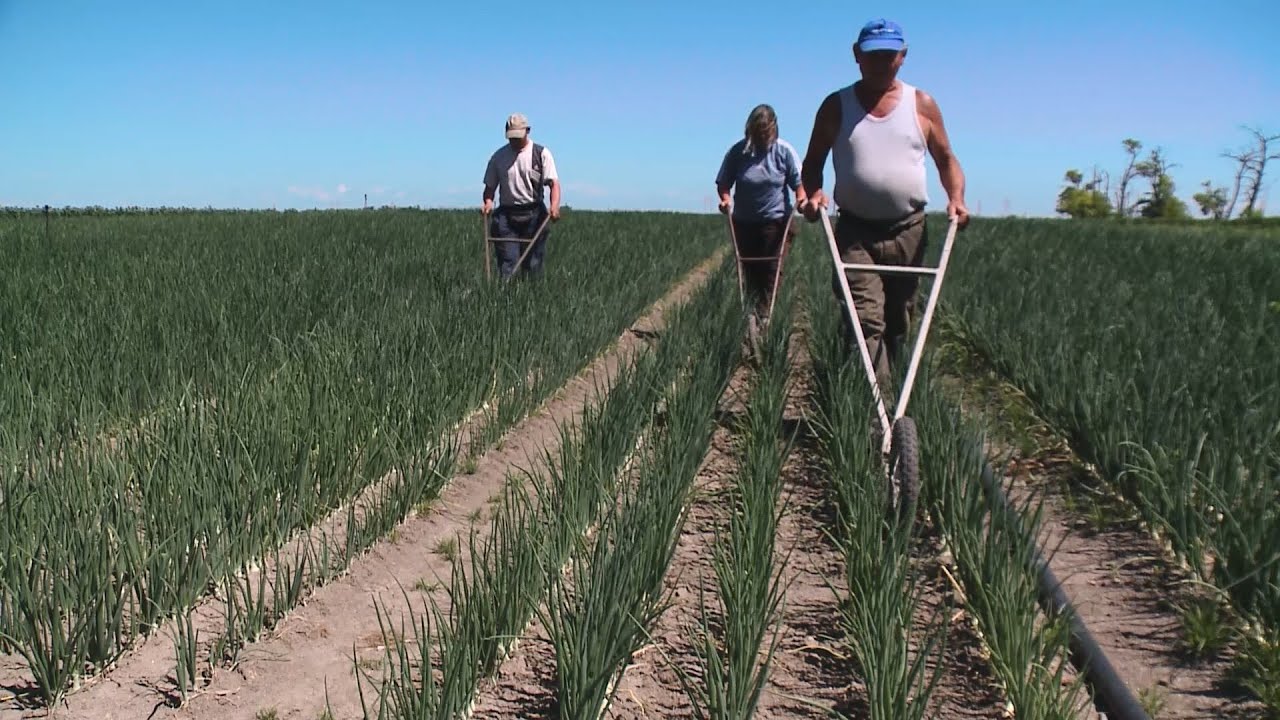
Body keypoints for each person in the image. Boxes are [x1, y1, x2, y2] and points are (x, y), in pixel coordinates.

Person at [798, 18, 969, 393]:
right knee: (864, 321)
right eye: (873, 56)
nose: (881, 63)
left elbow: (946, 159)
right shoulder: (836, 106)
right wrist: (811, 196)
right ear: (857, 56)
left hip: (910, 230)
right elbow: (812, 164)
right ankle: (877, 413)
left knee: (899, 321)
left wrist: (956, 199)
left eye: (889, 55)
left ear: (903, 57)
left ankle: (888, 396)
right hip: (856, 232)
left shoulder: (921, 105)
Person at [715, 104, 807, 330]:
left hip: (776, 222)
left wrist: (801, 200)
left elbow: (799, 184)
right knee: (749, 271)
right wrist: (726, 200)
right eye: (758, 132)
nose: (762, 136)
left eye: (766, 132)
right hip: (744, 223)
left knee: (772, 271)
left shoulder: (784, 151)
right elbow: (723, 182)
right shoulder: (739, 152)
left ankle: (766, 317)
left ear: (774, 129)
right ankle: (751, 315)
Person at [482, 113, 561, 280]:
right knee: (508, 264)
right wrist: (488, 203)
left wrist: (554, 206)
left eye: (518, 137)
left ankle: (530, 300)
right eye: (511, 137)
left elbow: (554, 184)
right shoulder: (498, 157)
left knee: (532, 265)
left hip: (534, 215)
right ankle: (505, 300)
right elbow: (490, 187)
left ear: (528, 131)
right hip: (506, 216)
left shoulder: (541, 154)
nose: (514, 141)